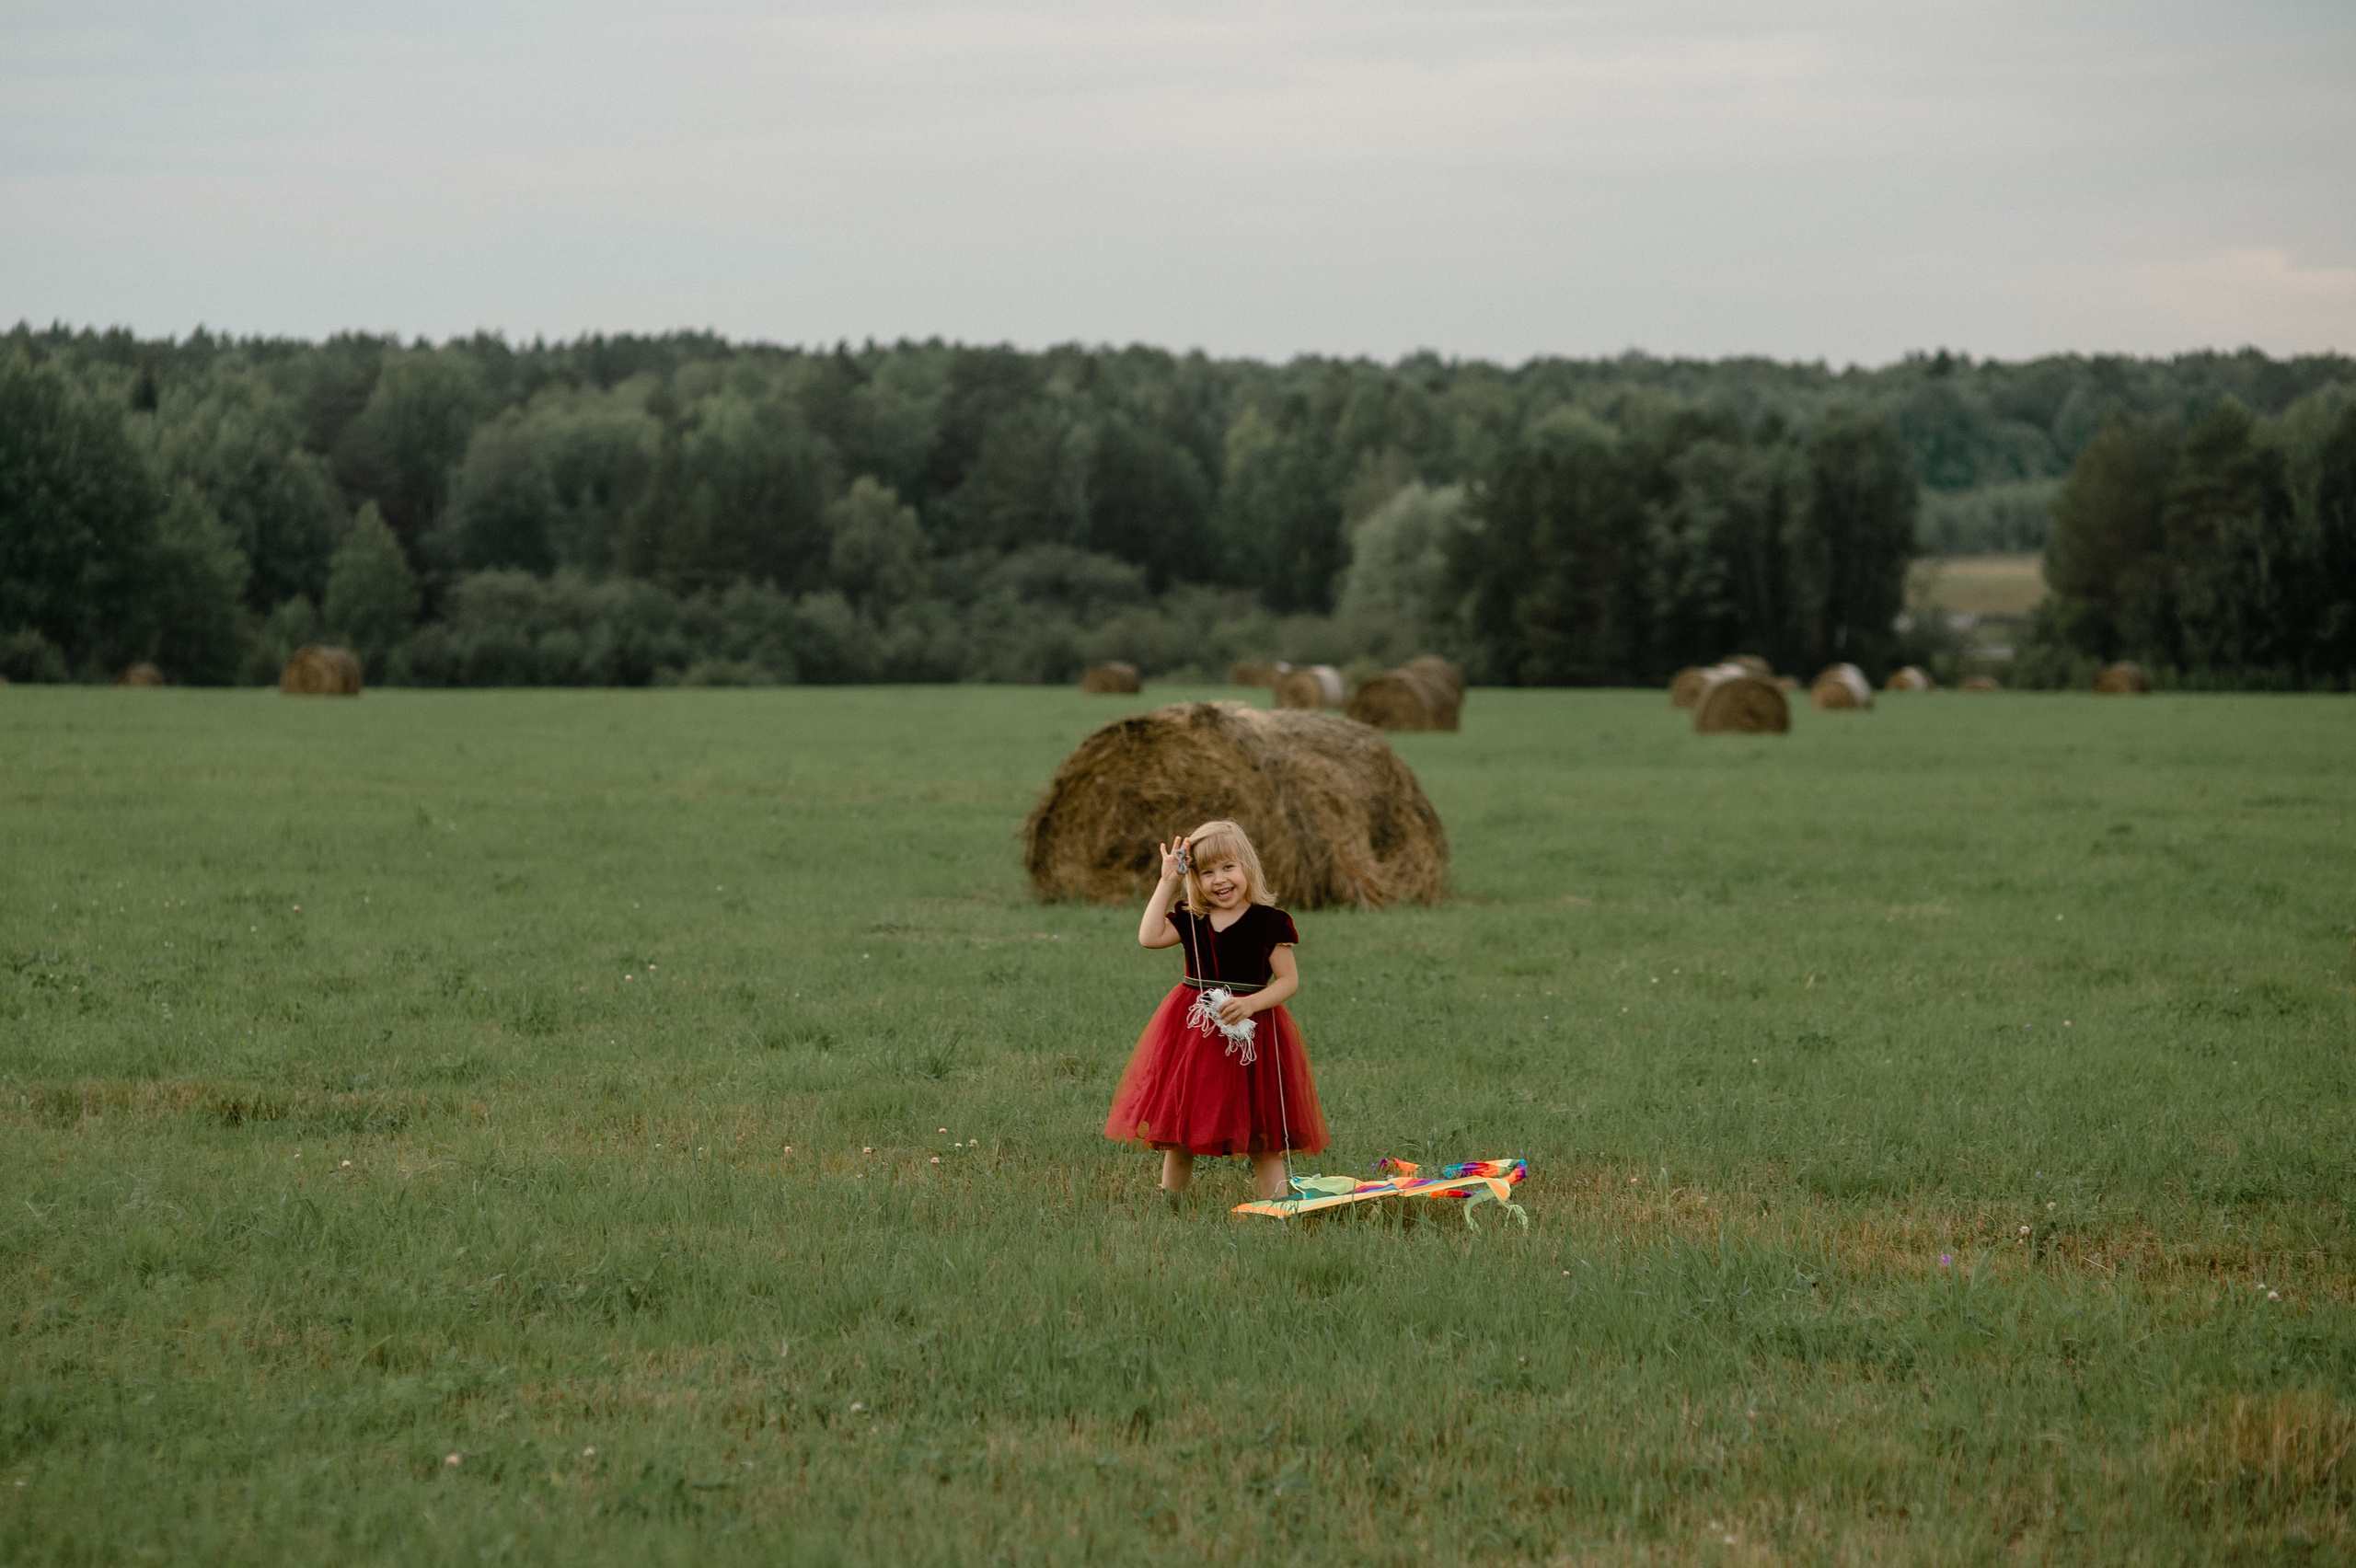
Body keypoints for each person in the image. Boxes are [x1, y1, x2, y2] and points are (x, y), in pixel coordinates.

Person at [1103, 819, 1329, 1204]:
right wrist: (1166, 882)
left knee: (1262, 1129)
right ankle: (1169, 1201)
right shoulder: (1193, 919)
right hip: (1195, 1032)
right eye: (1207, 872)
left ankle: (1278, 1204)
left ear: (1247, 867)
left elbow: (1288, 981)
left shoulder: (1268, 922)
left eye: (1228, 867)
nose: (1220, 880)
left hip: (1252, 1031)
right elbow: (1148, 937)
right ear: (1194, 878)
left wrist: (1251, 1004)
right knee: (1182, 1122)